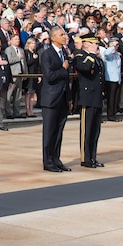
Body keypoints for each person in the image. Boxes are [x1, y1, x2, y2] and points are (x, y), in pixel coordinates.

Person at [40, 26, 72, 172]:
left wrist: (69, 98)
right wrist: (63, 69)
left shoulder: (64, 53)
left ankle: (56, 158)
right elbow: (50, 76)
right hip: (51, 98)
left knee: (59, 131)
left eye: (64, 34)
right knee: (49, 132)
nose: (65, 37)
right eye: (61, 35)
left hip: (63, 98)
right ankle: (48, 161)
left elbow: (67, 79)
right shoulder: (47, 54)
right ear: (53, 38)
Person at [74, 33, 105, 168]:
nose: (96, 46)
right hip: (87, 97)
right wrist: (92, 55)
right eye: (93, 43)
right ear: (86, 44)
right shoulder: (81, 56)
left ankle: (92, 157)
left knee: (95, 130)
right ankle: (85, 158)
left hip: (97, 96)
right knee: (86, 130)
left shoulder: (97, 59)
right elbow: (84, 68)